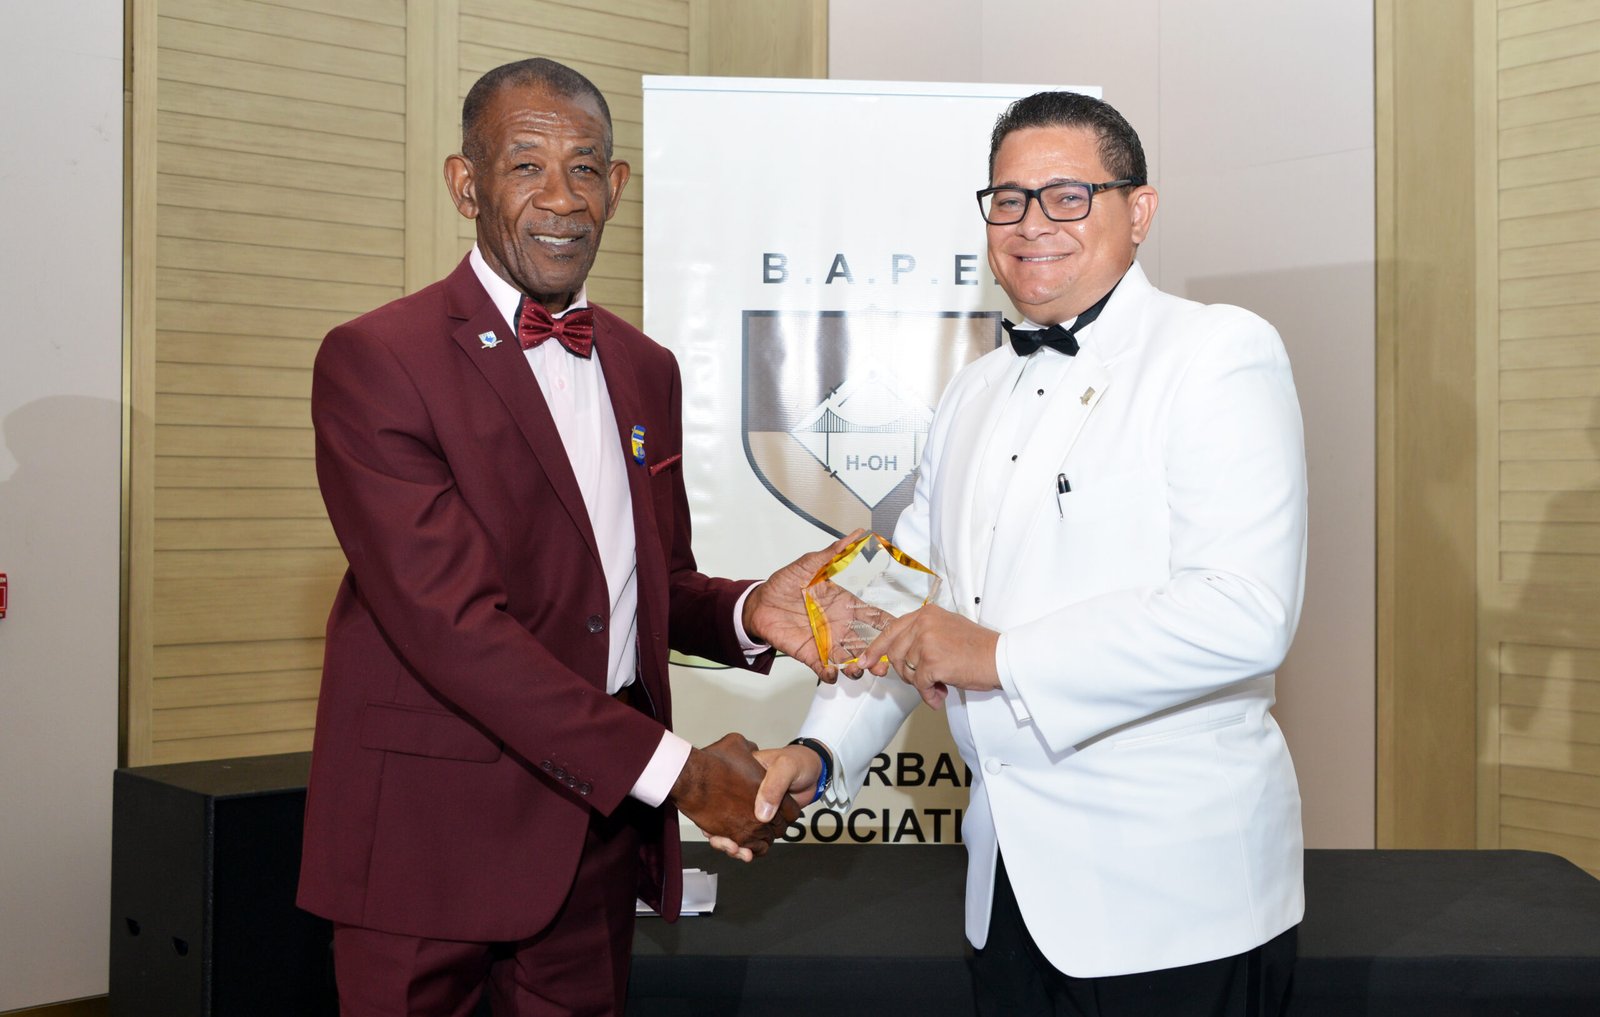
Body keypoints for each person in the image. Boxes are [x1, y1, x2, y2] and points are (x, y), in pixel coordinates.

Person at [296, 57, 849, 1017]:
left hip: (592, 838)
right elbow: (454, 629)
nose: (561, 198)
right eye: (526, 166)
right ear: (466, 184)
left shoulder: (646, 366)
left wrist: (748, 614)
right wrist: (677, 771)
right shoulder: (378, 359)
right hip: (428, 844)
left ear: (617, 186)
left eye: (585, 168)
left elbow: (648, 580)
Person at [745, 91, 1309, 1017]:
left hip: (1176, 900)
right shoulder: (971, 391)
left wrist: (997, 656)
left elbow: (1244, 612)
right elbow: (907, 611)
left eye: (1067, 196)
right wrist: (820, 750)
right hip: (1003, 891)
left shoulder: (1216, 352)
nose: (1031, 223)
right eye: (1008, 199)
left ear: (1140, 211)